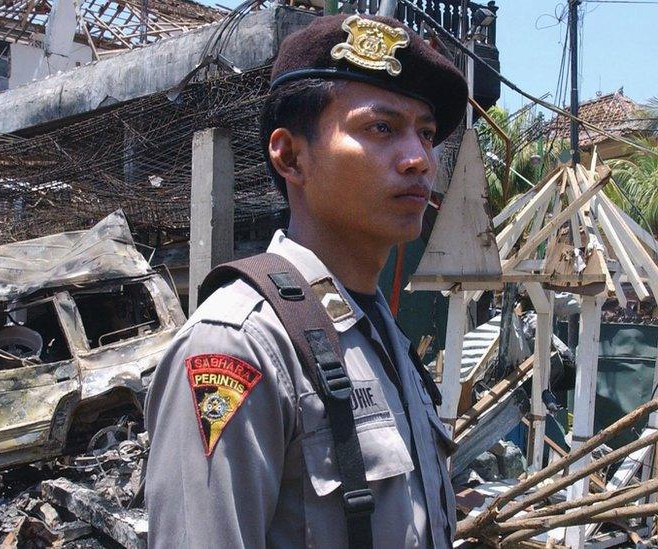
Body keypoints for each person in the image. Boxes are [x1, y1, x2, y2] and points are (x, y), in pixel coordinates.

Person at [145, 12, 468, 548]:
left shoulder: (379, 336)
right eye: (381, 128)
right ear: (291, 156)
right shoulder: (240, 345)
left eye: (426, 133)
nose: (419, 160)